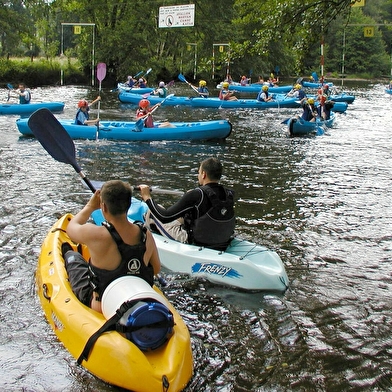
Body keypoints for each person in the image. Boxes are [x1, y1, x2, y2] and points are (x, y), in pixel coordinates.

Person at [62, 180, 161, 313]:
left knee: (72, 255)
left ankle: (69, 254)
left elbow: (71, 229)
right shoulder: (146, 234)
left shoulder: (96, 234)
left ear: (104, 207)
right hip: (137, 298)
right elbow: (155, 268)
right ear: (129, 205)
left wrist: (90, 206)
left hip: (102, 306)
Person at [139, 157, 236, 251]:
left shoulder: (197, 194)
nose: (198, 175)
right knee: (183, 216)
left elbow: (164, 217)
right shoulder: (229, 194)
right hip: (221, 240)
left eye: (198, 172)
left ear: (203, 174)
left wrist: (147, 197)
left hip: (194, 241)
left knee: (152, 212)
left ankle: (149, 242)